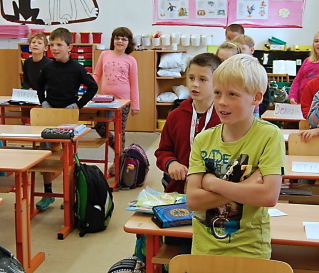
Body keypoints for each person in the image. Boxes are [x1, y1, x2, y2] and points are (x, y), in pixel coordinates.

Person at [185, 54, 285, 258]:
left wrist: (213, 183)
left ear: (256, 98)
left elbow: (268, 196)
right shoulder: (203, 140)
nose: (222, 102)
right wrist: (246, 187)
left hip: (251, 249)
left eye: (232, 94)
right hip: (205, 249)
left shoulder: (269, 136)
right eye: (217, 93)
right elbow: (193, 200)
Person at [35, 27, 98, 210]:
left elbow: (93, 87)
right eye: (52, 45)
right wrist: (43, 102)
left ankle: (70, 195)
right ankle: (48, 194)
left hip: (68, 114)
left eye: (59, 45)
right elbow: (39, 85)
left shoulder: (77, 68)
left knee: (68, 157)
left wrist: (78, 105)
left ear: (69, 47)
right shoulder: (47, 67)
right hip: (49, 113)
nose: (54, 48)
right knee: (46, 154)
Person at [155, 53, 222, 194]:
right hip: (178, 190)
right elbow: (163, 151)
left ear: (217, 82)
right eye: (191, 78)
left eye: (202, 79)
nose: (195, 84)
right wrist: (171, 163)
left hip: (213, 191)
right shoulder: (175, 115)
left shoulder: (224, 117)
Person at [92, 27, 139, 149]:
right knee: (99, 126)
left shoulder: (131, 60)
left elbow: (134, 84)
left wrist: (135, 105)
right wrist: (89, 91)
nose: (120, 41)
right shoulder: (104, 54)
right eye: (117, 38)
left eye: (124, 39)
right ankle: (117, 148)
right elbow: (97, 75)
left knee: (120, 131)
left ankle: (120, 157)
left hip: (123, 101)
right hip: (105, 100)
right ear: (113, 40)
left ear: (128, 42)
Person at [288, 29, 319, 104]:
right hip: (302, 100)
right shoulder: (307, 60)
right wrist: (292, 96)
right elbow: (297, 80)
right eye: (316, 41)